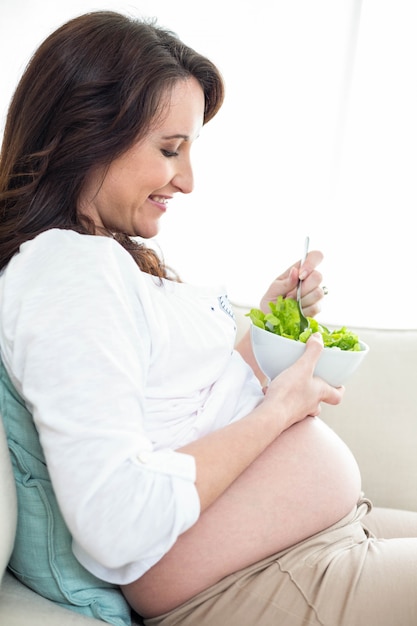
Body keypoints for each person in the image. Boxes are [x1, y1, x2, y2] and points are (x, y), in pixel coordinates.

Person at [0, 10, 417, 626]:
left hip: (315, 540)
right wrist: (282, 409)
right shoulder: (66, 273)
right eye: (171, 149)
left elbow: (184, 408)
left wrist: (270, 322)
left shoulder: (107, 262)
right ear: (86, 133)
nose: (188, 180)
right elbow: (117, 519)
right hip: (263, 579)